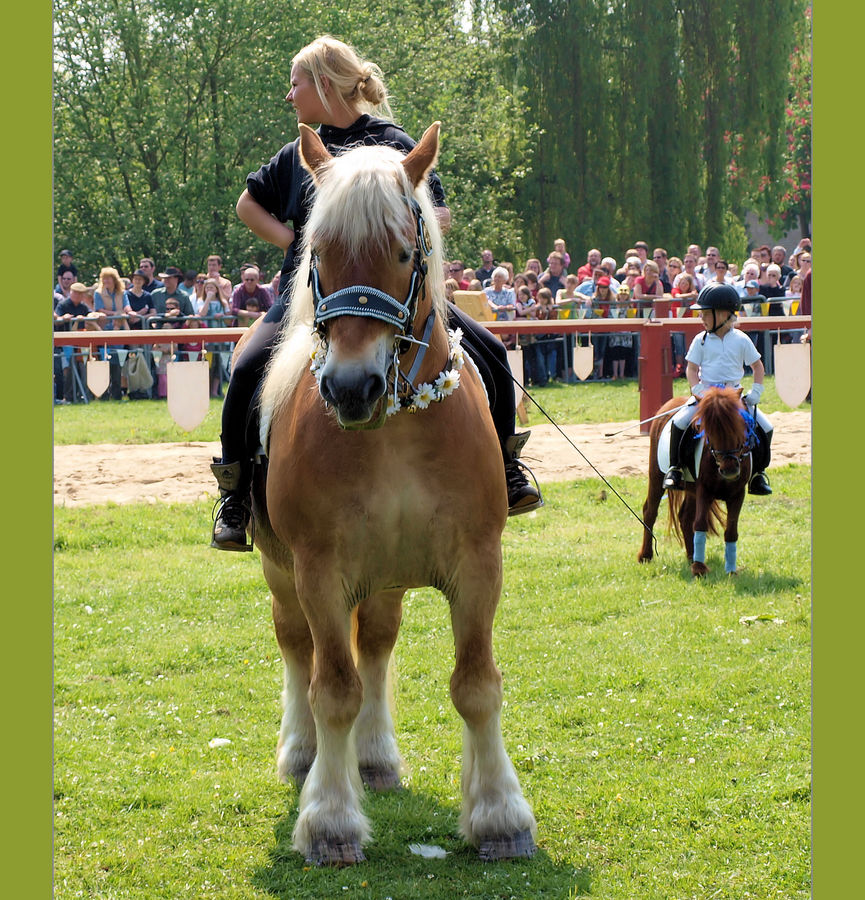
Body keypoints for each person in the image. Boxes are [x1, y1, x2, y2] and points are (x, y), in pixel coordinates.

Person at [211, 35, 541, 550]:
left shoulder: (393, 141)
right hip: (312, 298)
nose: (289, 94)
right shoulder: (298, 152)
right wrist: (297, 241)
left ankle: (507, 468)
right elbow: (246, 205)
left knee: (493, 354)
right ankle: (234, 493)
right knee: (248, 366)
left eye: (295, 83)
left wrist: (402, 235)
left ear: (324, 84)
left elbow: (441, 212)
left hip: (394, 294)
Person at [662, 282, 773, 496]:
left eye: (705, 313)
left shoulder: (741, 339)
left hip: (734, 397)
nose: (701, 318)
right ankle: (675, 469)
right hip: (706, 397)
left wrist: (756, 391)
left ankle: (758, 473)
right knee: (679, 422)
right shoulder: (700, 340)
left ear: (722, 314)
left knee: (766, 427)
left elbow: (758, 367)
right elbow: (691, 369)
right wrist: (698, 389)